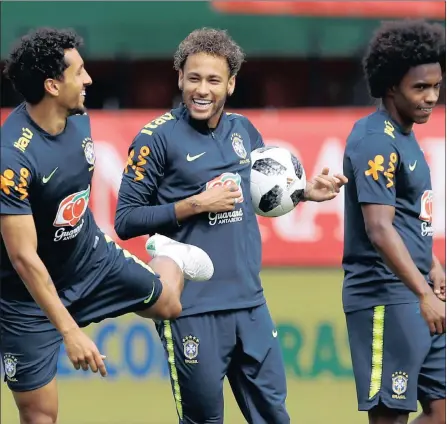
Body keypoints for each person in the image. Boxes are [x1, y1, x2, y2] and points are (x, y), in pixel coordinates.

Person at [115, 27, 348, 424]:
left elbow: (256, 194)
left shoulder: (244, 131)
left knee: (275, 416)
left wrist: (304, 192)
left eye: (212, 80)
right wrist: (195, 204)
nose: (201, 90)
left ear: (231, 84)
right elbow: (126, 219)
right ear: (179, 78)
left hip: (250, 304)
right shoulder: (155, 139)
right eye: (193, 78)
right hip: (192, 309)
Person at [0, 27, 214, 424]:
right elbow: (23, 258)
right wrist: (69, 331)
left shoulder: (79, 121)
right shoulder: (10, 159)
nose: (88, 80)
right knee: (39, 417)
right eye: (78, 72)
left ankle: (168, 254)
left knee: (169, 303)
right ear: (51, 84)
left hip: (90, 259)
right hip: (26, 299)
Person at [342, 20, 446, 424]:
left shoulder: (404, 134)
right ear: (390, 87)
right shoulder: (375, 142)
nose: (431, 97)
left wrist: (432, 263)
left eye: (437, 86)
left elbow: (407, 217)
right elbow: (380, 229)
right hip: (385, 296)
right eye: (420, 88)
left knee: (440, 412)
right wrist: (424, 294)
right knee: (390, 417)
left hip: (418, 291)